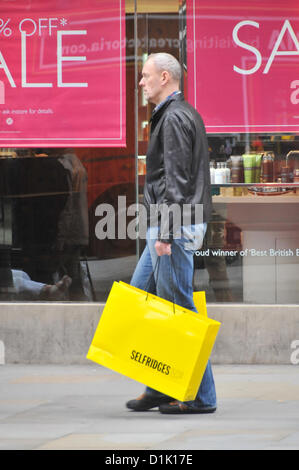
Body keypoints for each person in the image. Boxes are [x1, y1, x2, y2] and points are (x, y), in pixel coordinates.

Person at [126, 53, 216, 414]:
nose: (141, 82)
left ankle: (203, 396)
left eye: (146, 76)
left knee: (180, 309)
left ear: (165, 77)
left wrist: (165, 233)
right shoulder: (173, 114)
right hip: (167, 225)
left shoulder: (175, 117)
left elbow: (176, 182)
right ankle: (161, 385)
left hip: (173, 228)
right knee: (144, 299)